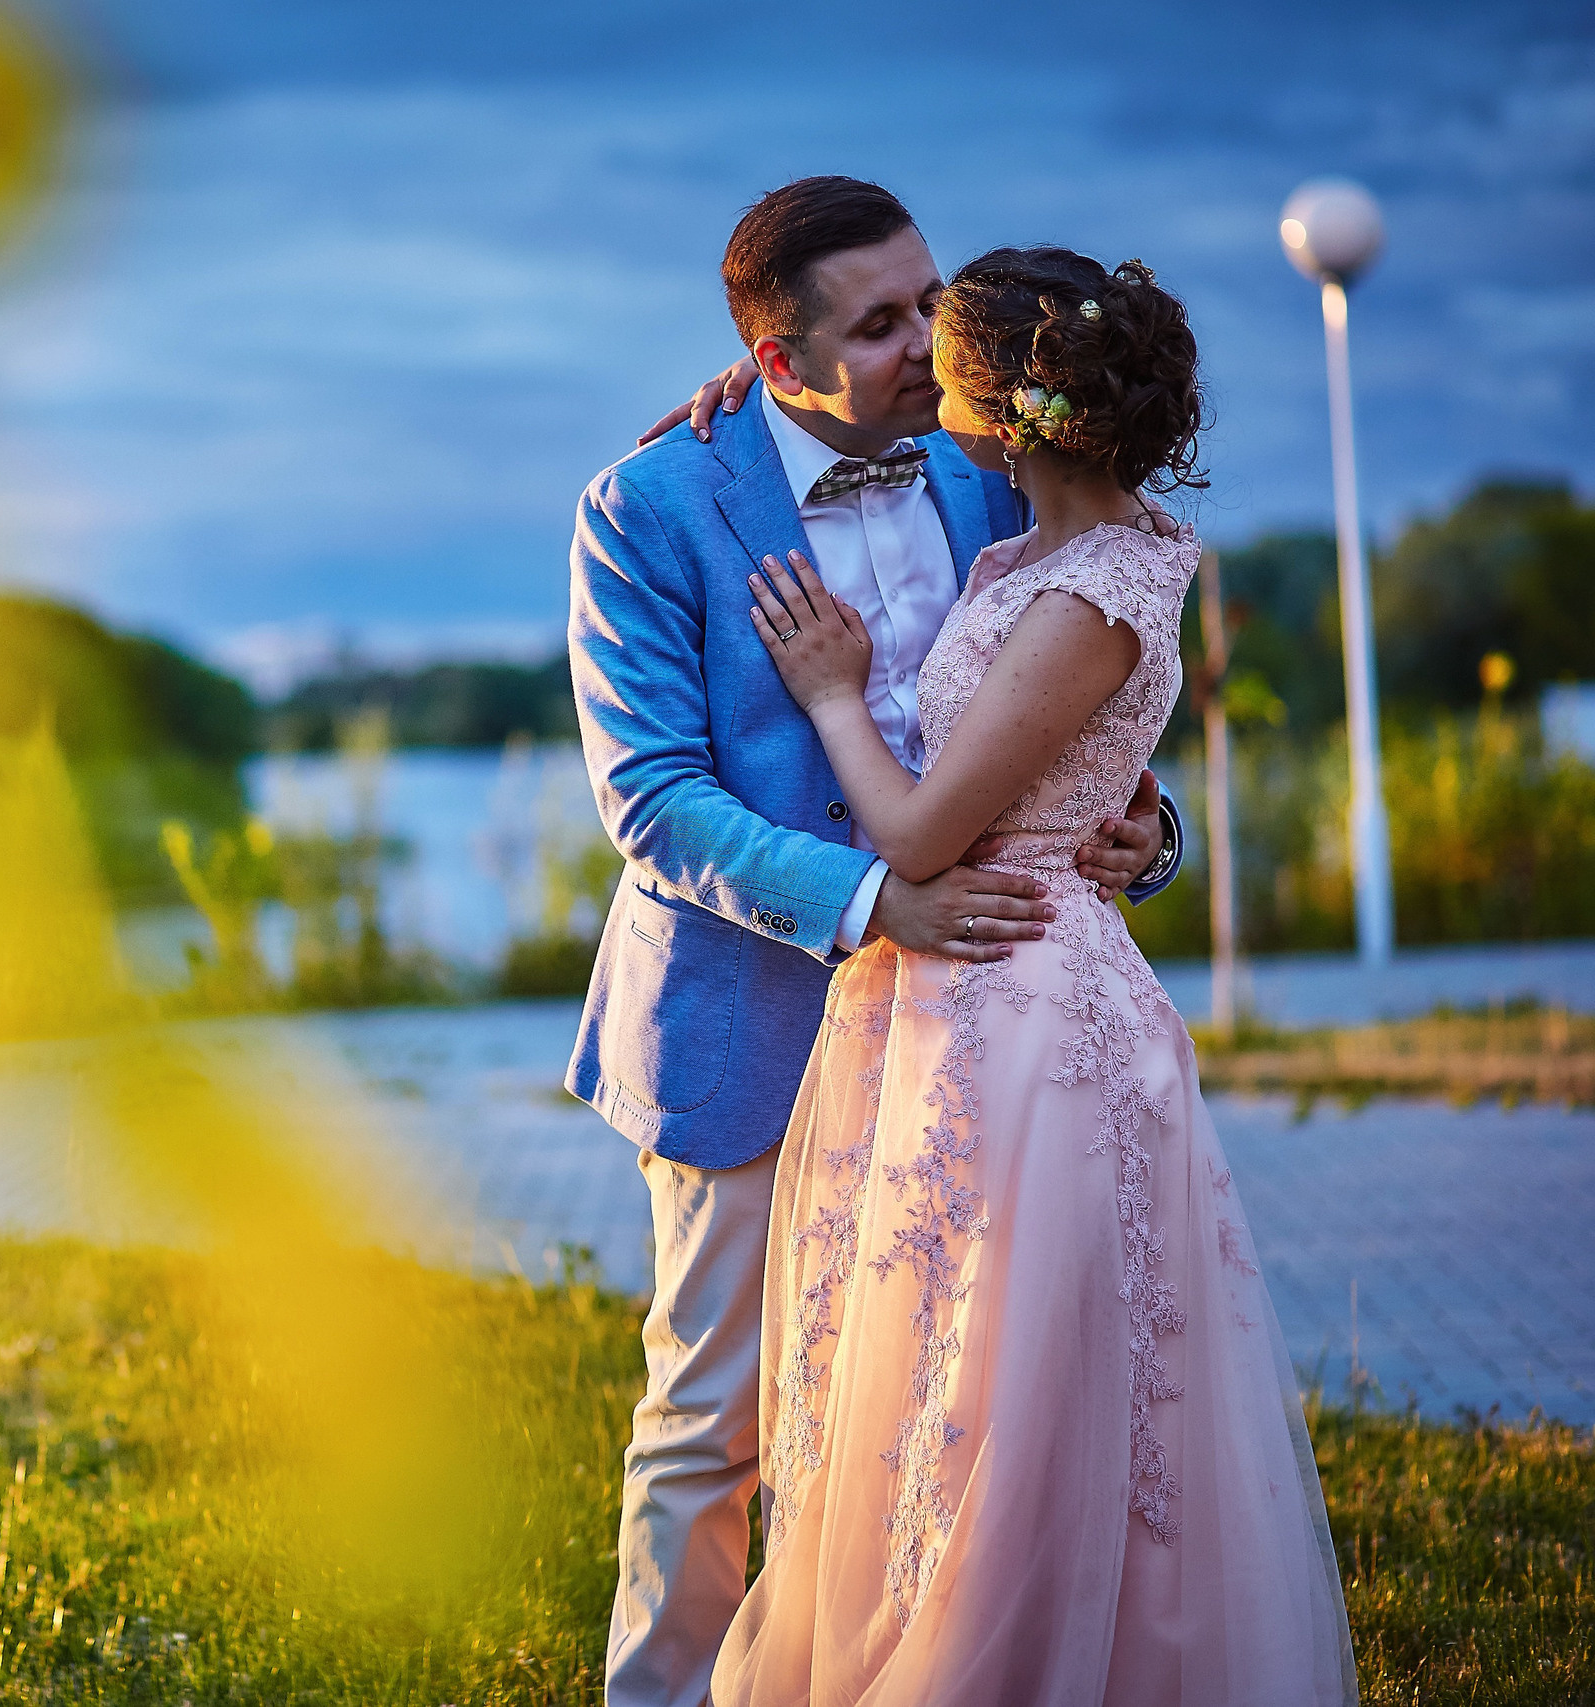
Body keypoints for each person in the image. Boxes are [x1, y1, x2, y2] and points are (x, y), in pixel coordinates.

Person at [562, 177, 1184, 1707]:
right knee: (717, 1421)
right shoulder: (647, 508)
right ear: (777, 364)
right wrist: (870, 904)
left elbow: (1091, 697)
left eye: (931, 296)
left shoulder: (994, 455)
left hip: (981, 1035)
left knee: (953, 1405)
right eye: (883, 322)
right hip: (749, 1019)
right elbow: (651, 797)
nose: (932, 343)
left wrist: (1157, 835)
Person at [718, 246, 1355, 1703]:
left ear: (1006, 409)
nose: (917, 370)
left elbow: (930, 827)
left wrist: (829, 692)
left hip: (1029, 1008)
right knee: (934, 1360)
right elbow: (1068, 769)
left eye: (938, 352)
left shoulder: (1098, 587)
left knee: (1021, 1379)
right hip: (961, 998)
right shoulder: (1022, 554)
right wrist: (747, 378)